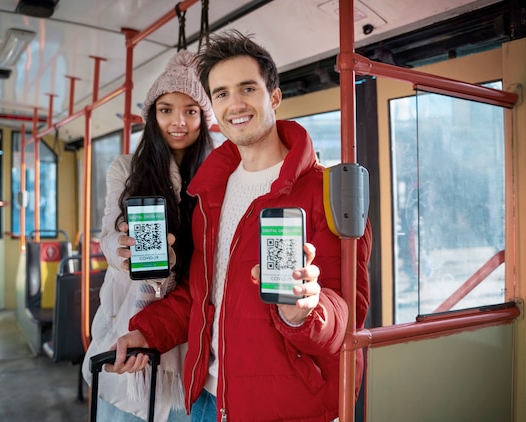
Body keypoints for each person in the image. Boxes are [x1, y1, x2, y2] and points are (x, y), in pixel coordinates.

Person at [108, 30, 372, 422]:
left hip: (285, 408)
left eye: (247, 88)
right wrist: (147, 332)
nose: (235, 104)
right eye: (221, 93)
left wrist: (305, 310)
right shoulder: (210, 194)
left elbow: (347, 315)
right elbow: (201, 298)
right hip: (206, 401)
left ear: (274, 97)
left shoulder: (325, 193)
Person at [82, 49, 215, 422]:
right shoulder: (126, 167)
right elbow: (108, 233)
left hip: (186, 325)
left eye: (191, 111)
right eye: (167, 109)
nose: (179, 121)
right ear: (152, 115)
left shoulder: (217, 172)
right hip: (129, 312)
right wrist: (119, 248)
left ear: (203, 119)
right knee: (126, 406)